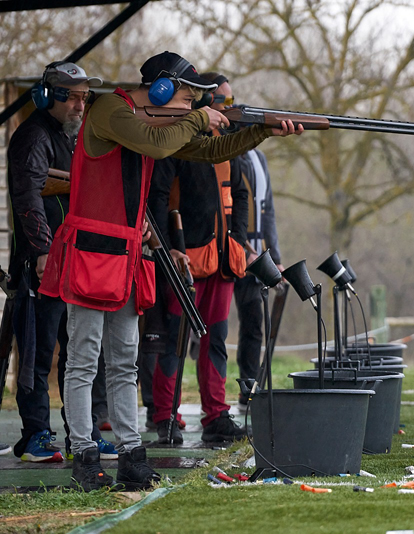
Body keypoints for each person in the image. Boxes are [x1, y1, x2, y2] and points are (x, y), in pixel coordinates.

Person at [38, 51, 303, 491]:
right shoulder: (111, 110)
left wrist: (259, 131)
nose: (190, 106)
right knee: (83, 360)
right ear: (160, 89)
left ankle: (130, 455)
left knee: (123, 362)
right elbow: (158, 143)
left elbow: (211, 151)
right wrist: (201, 118)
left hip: (124, 256)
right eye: (186, 96)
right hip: (91, 251)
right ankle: (84, 454)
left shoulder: (151, 120)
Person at [6, 61, 116, 463]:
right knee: (37, 351)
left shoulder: (75, 138)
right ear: (47, 96)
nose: (79, 105)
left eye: (84, 97)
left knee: (79, 354)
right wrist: (41, 251)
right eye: (71, 96)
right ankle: (36, 435)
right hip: (44, 263)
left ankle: (80, 435)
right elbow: (29, 198)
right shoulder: (33, 137)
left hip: (75, 261)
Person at [147, 72, 254, 444]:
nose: (227, 107)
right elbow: (156, 198)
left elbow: (241, 196)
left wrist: (239, 241)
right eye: (220, 101)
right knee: (174, 339)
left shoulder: (227, 143)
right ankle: (164, 415)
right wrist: (166, 246)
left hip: (224, 259)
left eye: (229, 100)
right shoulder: (176, 141)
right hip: (183, 260)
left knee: (218, 340)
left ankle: (216, 414)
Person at [233, 143, 282, 406]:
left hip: (255, 257)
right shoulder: (228, 154)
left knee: (253, 323)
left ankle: (248, 388)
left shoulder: (259, 158)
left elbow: (268, 211)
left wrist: (275, 257)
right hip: (227, 250)